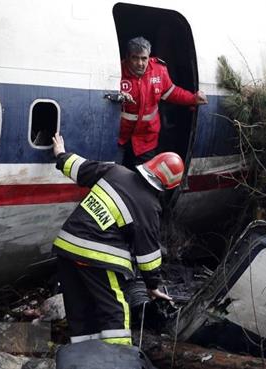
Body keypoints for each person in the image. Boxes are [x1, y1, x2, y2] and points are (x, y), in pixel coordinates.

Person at [51, 133, 182, 346]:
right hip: (99, 257)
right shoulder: (150, 206)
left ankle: (84, 357)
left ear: (150, 165)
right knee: (116, 312)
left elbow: (78, 168)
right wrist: (152, 286)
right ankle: (118, 359)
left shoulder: (115, 171)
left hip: (67, 247)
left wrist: (61, 153)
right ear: (168, 186)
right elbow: (147, 255)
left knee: (80, 311)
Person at [117, 36, 208, 167]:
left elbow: (173, 92)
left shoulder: (159, 71)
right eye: (135, 58)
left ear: (149, 57)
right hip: (120, 137)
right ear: (127, 57)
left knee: (143, 179)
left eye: (144, 58)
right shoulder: (117, 71)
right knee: (115, 175)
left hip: (146, 139)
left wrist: (192, 98)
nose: (140, 63)